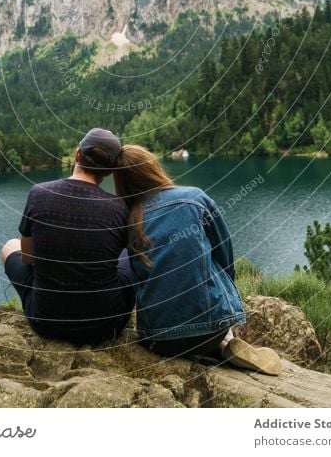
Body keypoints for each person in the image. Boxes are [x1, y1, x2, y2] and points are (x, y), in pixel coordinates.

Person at [113, 144, 281, 374]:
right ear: (153, 167)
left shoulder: (129, 220)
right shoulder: (193, 198)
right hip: (211, 329)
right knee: (210, 261)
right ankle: (225, 342)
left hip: (157, 339)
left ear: (121, 182)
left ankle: (215, 345)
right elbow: (225, 252)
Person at [1, 128, 135, 344]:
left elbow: (28, 258)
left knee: (9, 247)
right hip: (106, 325)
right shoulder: (120, 208)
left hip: (45, 320)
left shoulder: (39, 193)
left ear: (77, 155)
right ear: (109, 171)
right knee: (130, 256)